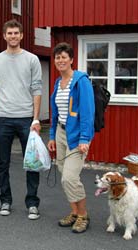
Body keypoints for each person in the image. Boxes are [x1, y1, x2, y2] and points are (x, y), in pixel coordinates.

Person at [0, 19, 43, 220]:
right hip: (3, 118)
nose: (13, 36)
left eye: (16, 33)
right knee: (3, 162)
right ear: (4, 36)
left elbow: (37, 89)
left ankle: (32, 203)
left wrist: (36, 119)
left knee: (32, 162)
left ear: (21, 36)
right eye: (9, 33)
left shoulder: (32, 60)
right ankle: (5, 200)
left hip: (26, 118)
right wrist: (0, 108)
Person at [47, 42, 95, 233]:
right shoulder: (58, 83)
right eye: (57, 57)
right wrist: (52, 135)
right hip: (60, 132)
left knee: (70, 178)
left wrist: (85, 138)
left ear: (71, 60)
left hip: (77, 136)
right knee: (63, 174)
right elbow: (56, 112)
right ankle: (74, 212)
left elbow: (87, 112)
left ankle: (83, 215)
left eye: (64, 57)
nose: (60, 60)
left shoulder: (81, 81)